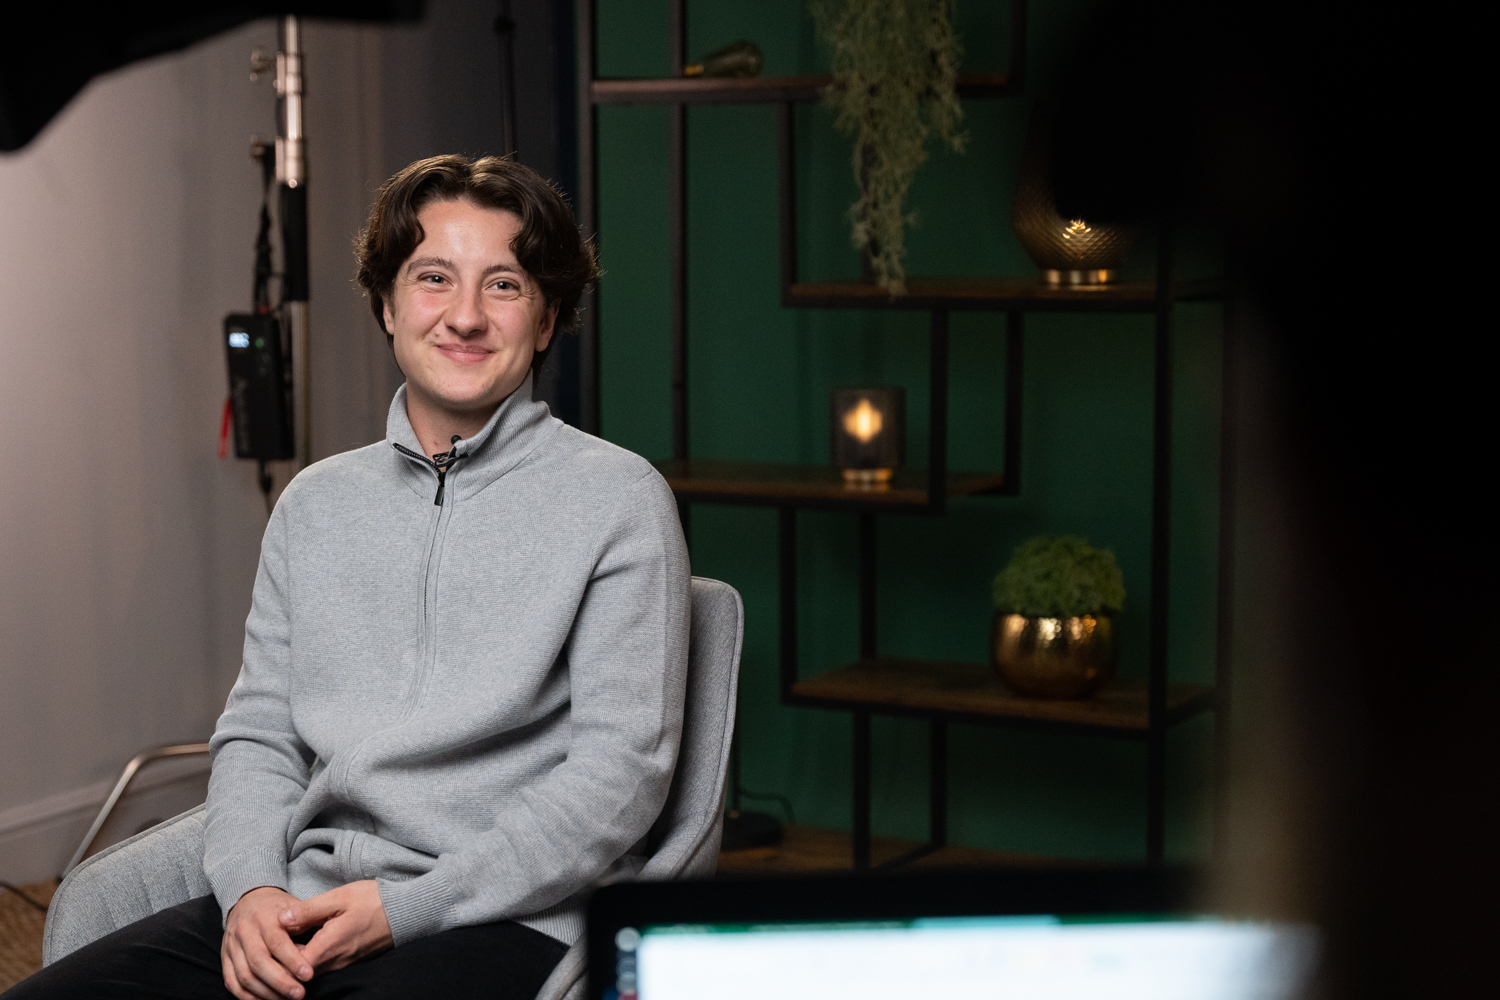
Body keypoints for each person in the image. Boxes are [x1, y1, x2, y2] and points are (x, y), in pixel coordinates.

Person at [7, 155, 689, 1000]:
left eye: (505, 285)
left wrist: (409, 907)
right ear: (387, 304)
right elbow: (260, 736)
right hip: (302, 899)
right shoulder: (315, 503)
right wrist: (253, 890)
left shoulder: (619, 499)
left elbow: (619, 778)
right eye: (433, 277)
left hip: (503, 914)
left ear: (547, 319)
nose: (466, 316)